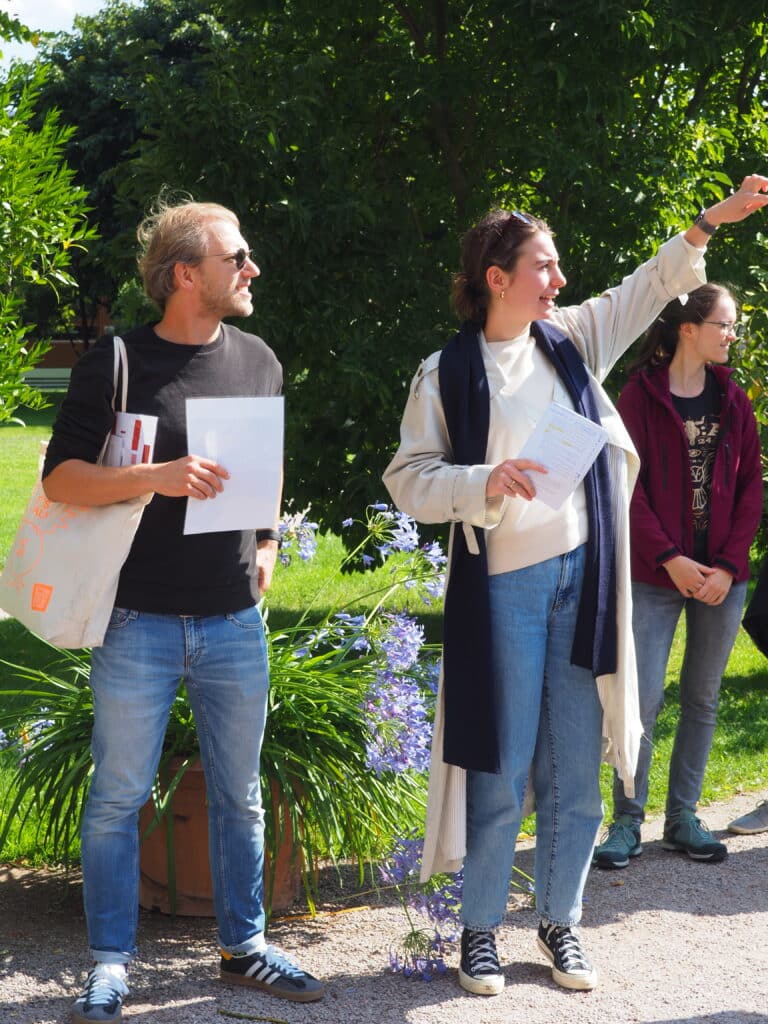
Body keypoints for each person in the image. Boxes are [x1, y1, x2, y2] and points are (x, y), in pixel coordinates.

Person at [383, 175, 768, 998]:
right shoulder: (446, 371)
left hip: (585, 582)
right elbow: (409, 479)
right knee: (501, 762)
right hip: (504, 592)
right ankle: (481, 931)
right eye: (543, 265)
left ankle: (561, 921)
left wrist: (708, 223)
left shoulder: (568, 341)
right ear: (498, 276)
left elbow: (645, 289)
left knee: (574, 768)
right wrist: (488, 479)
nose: (558, 279)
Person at [42, 198, 324, 1024]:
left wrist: (267, 543)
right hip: (137, 621)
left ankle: (243, 949)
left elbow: (264, 469)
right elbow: (60, 479)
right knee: (119, 797)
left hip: (233, 621)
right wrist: (152, 477)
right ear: (185, 273)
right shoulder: (118, 361)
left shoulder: (261, 361)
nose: (252, 269)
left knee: (239, 795)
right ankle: (108, 968)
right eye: (237, 257)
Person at [592, 283, 763, 871]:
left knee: (703, 697)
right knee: (639, 699)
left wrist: (728, 567)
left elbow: (750, 492)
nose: (731, 334)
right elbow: (625, 486)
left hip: (722, 577)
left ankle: (683, 816)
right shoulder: (638, 398)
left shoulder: (734, 400)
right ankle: (627, 821)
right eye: (724, 324)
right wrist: (669, 557)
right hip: (653, 574)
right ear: (689, 328)